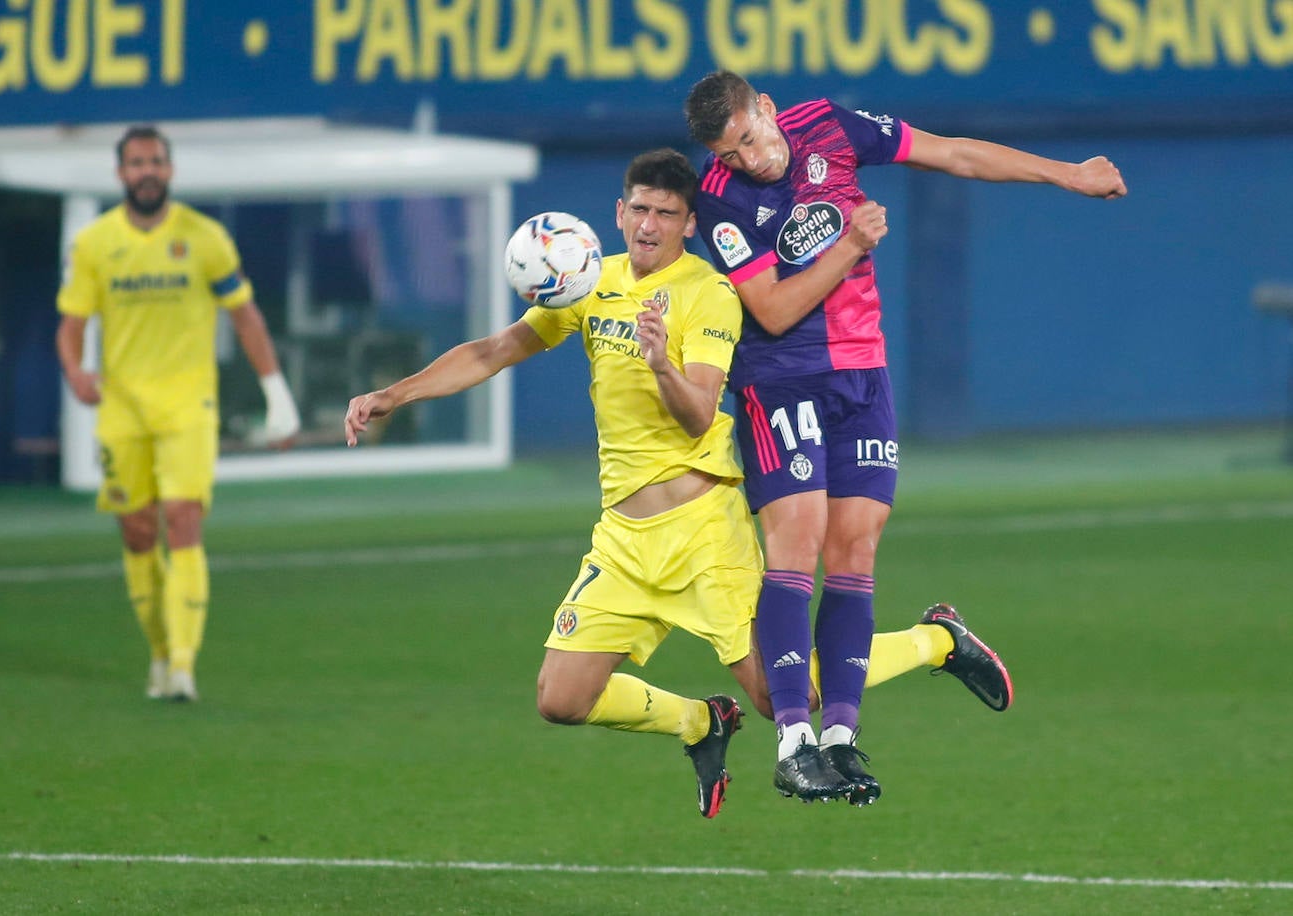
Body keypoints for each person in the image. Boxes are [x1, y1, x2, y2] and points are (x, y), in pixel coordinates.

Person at [344, 148, 1012, 816]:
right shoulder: (587, 284)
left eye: (666, 213)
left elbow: (697, 418)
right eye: (639, 208)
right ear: (618, 211)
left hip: (703, 534)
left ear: (689, 223)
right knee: (561, 699)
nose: (649, 224)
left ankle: (940, 640)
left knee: (791, 695)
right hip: (626, 542)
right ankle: (699, 724)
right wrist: (392, 396)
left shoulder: (709, 295)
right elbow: (493, 350)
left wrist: (661, 363)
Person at [684, 71, 1125, 800]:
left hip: (863, 373)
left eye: (750, 139)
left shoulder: (829, 126)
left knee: (856, 545)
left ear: (766, 108)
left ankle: (841, 737)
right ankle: (794, 741)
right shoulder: (721, 197)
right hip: (781, 379)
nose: (747, 160)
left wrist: (1067, 174)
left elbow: (952, 154)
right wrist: (851, 244)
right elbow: (771, 309)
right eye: (729, 153)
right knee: (795, 540)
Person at [56, 125, 300, 703]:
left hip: (189, 404)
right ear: (121, 173)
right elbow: (71, 326)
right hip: (123, 409)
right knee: (138, 532)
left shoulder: (205, 238)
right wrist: (75, 371)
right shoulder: (94, 244)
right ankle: (160, 655)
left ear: (170, 169)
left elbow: (245, 316)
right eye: (137, 163)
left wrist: (277, 394)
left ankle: (185, 665)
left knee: (184, 519)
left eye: (156, 162)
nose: (147, 171)